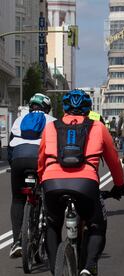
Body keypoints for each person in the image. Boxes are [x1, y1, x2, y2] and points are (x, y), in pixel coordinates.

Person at [37, 89, 124, 276]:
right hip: (85, 183)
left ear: (64, 108)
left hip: (52, 182)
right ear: (87, 109)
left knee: (52, 225)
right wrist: (119, 185)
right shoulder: (98, 127)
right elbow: (113, 160)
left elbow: (41, 159)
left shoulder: (51, 127)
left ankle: (56, 269)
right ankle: (88, 267)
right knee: (96, 225)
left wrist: (41, 180)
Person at [7, 93, 55, 258]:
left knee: (18, 199)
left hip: (19, 161)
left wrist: (13, 165)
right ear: (47, 108)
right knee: (50, 198)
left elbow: (10, 147)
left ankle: (16, 242)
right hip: (39, 161)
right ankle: (49, 242)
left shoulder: (19, 120)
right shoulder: (52, 121)